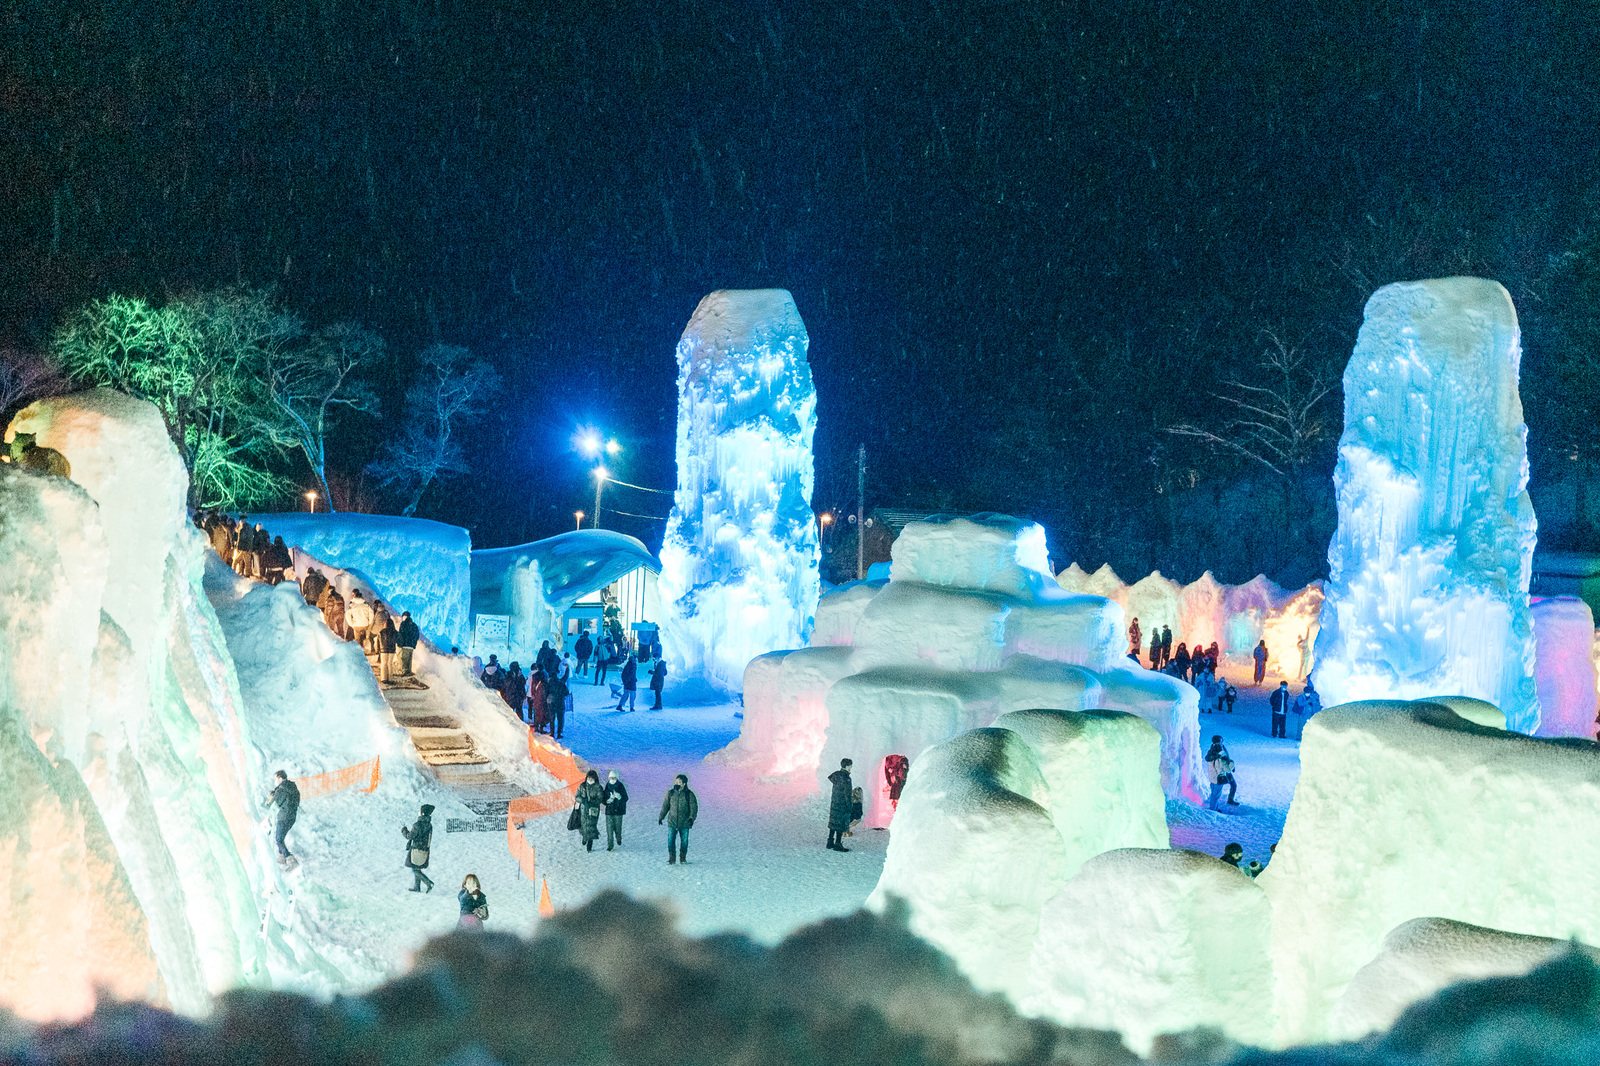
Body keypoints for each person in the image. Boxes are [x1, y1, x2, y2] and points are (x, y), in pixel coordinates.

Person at [659, 772, 698, 865]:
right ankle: (672, 859)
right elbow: (665, 806)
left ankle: (683, 859)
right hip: (672, 822)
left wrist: (691, 818)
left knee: (684, 842)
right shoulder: (671, 793)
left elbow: (694, 807)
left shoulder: (689, 794)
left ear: (684, 783)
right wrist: (661, 817)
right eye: (676, 781)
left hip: (684, 823)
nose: (677, 784)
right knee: (670, 841)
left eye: (679, 782)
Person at [265, 769, 300, 868]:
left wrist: (271, 798)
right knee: (281, 838)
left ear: (280, 778)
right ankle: (281, 859)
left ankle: (290, 860)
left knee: (279, 839)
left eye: (275, 779)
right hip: (292, 817)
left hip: (284, 817)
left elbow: (273, 803)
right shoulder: (293, 788)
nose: (275, 782)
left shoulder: (282, 789)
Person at [402, 804, 435, 892]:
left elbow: (410, 836)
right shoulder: (429, 825)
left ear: (422, 813)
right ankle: (417, 887)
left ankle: (428, 883)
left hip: (416, 849)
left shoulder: (417, 825)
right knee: (417, 868)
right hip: (424, 850)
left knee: (415, 869)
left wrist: (404, 830)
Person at [826, 758, 854, 852]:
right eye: (850, 765)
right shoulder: (846, 778)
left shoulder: (836, 775)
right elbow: (848, 794)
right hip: (842, 804)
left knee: (833, 821)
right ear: (847, 766)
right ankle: (838, 844)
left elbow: (832, 779)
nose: (851, 767)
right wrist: (850, 806)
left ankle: (830, 842)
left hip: (835, 802)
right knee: (840, 823)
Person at [573, 769, 604, 852]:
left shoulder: (598, 787)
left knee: (591, 827)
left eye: (592, 779)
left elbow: (600, 799)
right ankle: (584, 837)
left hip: (593, 811)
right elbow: (576, 797)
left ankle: (589, 845)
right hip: (583, 811)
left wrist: (591, 802)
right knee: (583, 826)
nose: (590, 780)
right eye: (589, 778)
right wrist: (582, 800)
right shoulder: (582, 786)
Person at [1205, 736, 1238, 809]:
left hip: (1224, 770)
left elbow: (1226, 757)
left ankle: (1229, 800)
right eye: (1218, 741)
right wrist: (1230, 765)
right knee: (1215, 793)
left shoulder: (1222, 747)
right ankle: (1213, 809)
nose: (1219, 743)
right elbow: (1208, 758)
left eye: (1220, 741)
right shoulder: (1214, 749)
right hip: (1220, 773)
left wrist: (1231, 765)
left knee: (1233, 785)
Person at [602, 769, 629, 850]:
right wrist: (607, 801)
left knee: (618, 828)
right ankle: (610, 846)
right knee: (609, 830)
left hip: (618, 812)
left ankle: (618, 838)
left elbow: (626, 798)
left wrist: (620, 797)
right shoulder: (607, 786)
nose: (612, 779)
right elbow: (603, 799)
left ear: (617, 778)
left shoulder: (620, 786)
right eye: (611, 777)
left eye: (614, 778)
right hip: (609, 812)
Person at [546, 666, 569, 740]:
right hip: (560, 702)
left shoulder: (548, 684)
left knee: (552, 718)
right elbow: (566, 692)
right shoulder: (561, 683)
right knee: (560, 718)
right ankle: (559, 733)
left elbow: (545, 692)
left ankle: (552, 733)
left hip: (551, 702)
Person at [396, 611, 420, 676]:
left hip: (405, 644)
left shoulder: (403, 624)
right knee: (409, 660)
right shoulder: (414, 625)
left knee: (404, 660)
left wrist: (400, 643)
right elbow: (417, 635)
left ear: (405, 616)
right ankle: (409, 672)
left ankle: (404, 672)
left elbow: (401, 634)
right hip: (411, 645)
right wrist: (414, 643)